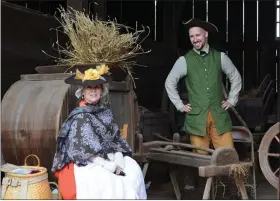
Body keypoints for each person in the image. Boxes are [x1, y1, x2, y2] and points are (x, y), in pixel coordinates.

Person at [51, 65, 147, 199]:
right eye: (89, 88)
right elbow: (81, 150)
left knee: (133, 169)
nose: (93, 91)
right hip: (85, 162)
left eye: (96, 87)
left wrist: (118, 156)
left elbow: (115, 137)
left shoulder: (105, 112)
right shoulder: (80, 116)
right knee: (105, 181)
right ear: (82, 92)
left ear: (102, 91)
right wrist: (106, 165)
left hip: (108, 156)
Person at [165, 18, 242, 154]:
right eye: (191, 36)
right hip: (197, 119)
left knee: (228, 156)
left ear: (206, 34)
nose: (195, 39)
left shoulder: (221, 57)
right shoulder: (184, 60)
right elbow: (169, 82)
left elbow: (235, 77)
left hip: (220, 117)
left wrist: (232, 100)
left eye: (197, 35)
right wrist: (179, 105)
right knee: (200, 160)